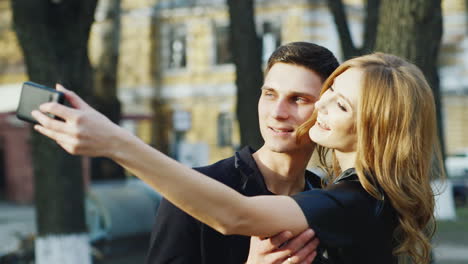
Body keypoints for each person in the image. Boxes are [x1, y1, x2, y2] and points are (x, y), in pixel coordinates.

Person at [32, 52, 443, 264]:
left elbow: (236, 216)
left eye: (337, 105)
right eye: (329, 96)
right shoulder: (349, 197)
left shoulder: (356, 201)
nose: (318, 111)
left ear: (376, 126)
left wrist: (115, 142)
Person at [144, 42, 339, 264]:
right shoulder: (193, 192)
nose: (277, 113)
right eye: (270, 94)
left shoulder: (327, 200)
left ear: (325, 111)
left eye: (298, 99)